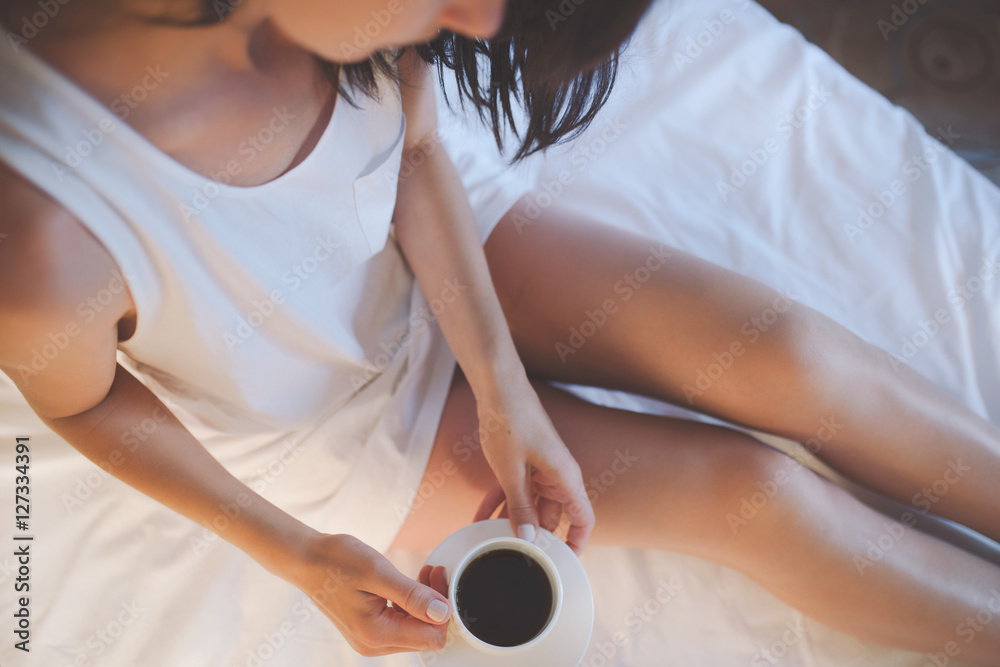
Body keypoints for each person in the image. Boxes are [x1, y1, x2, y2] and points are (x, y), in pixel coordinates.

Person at [0, 0, 999, 663]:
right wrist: (296, 552)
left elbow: (420, 150)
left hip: (419, 229)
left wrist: (503, 386)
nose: (479, 20)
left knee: (793, 359)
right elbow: (86, 401)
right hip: (333, 416)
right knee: (757, 498)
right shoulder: (43, 235)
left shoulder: (345, 20)